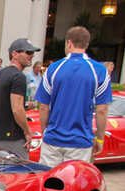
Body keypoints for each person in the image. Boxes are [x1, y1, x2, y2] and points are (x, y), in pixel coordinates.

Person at [35, 26, 112, 166]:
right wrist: (100, 139)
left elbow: (43, 107)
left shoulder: (53, 69)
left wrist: (45, 131)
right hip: (81, 141)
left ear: (68, 43)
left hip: (53, 139)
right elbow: (102, 110)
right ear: (86, 44)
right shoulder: (100, 71)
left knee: (48, 183)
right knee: (74, 185)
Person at [0, 38, 40, 159]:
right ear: (14, 54)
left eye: (32, 53)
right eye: (27, 52)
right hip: (12, 138)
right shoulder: (18, 76)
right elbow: (17, 109)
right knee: (19, 175)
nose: (31, 56)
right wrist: (27, 132)